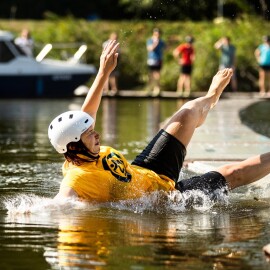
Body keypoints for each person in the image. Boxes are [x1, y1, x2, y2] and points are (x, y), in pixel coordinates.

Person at [49, 40, 270, 203]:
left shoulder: (84, 147)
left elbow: (88, 110)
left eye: (92, 129)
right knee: (234, 173)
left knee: (187, 112)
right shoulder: (78, 177)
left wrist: (103, 72)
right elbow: (60, 201)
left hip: (146, 168)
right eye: (89, 133)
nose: (96, 133)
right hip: (165, 197)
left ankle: (211, 98)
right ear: (74, 145)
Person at [146, 28, 166, 97]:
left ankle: (157, 88)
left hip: (158, 59)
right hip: (151, 59)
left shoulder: (161, 41)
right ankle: (150, 89)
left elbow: (166, 48)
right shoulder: (150, 40)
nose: (157, 35)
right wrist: (155, 43)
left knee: (157, 74)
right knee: (151, 75)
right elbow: (150, 49)